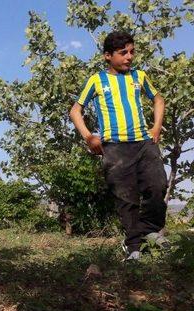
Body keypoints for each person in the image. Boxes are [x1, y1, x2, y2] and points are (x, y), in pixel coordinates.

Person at [69, 31, 169, 261]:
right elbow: (76, 110)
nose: (129, 57)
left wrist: (156, 128)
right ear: (108, 56)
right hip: (114, 147)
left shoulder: (139, 76)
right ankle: (133, 246)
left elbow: (158, 99)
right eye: (123, 53)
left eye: (132, 52)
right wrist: (88, 137)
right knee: (126, 198)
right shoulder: (97, 80)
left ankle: (151, 232)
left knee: (157, 186)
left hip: (144, 143)